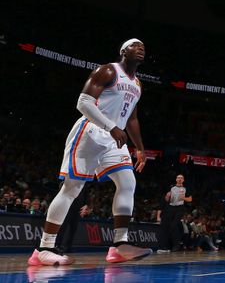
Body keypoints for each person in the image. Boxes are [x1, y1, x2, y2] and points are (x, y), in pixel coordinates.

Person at [29, 39, 152, 266]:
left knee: (127, 182)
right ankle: (43, 248)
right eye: (136, 46)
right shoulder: (107, 70)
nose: (141, 48)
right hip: (92, 131)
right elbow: (83, 103)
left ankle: (118, 245)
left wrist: (140, 149)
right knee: (72, 188)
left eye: (143, 47)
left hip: (116, 138)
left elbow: (132, 118)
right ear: (123, 51)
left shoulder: (137, 84)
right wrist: (111, 127)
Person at [157, 174, 193, 253]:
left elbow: (190, 199)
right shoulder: (171, 187)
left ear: (183, 180)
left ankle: (177, 244)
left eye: (181, 178)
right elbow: (166, 199)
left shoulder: (185, 188)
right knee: (169, 226)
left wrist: (184, 198)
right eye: (178, 178)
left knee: (174, 225)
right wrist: (167, 196)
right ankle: (169, 245)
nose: (179, 179)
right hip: (171, 207)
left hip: (180, 208)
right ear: (176, 179)